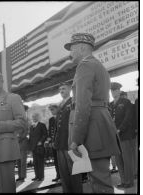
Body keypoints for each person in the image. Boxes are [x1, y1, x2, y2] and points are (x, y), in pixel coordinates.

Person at [64, 33, 121, 193]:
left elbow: (82, 105)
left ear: (82, 47)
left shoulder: (85, 65)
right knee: (98, 179)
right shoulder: (97, 65)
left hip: (92, 129)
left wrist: (76, 139)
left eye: (72, 49)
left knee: (99, 182)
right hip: (98, 125)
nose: (70, 53)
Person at [54, 82, 83, 193]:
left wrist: (76, 140)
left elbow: (76, 122)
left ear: (70, 89)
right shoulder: (60, 104)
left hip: (70, 141)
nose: (61, 91)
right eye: (60, 89)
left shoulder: (73, 102)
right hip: (60, 143)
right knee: (64, 172)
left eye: (64, 88)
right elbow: (57, 125)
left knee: (74, 171)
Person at [109, 82, 134, 188]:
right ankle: (123, 180)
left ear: (119, 90)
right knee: (118, 159)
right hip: (114, 136)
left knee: (127, 159)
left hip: (124, 135)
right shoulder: (110, 105)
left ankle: (129, 182)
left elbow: (128, 118)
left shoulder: (126, 102)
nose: (113, 92)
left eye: (115, 90)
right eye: (112, 90)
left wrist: (119, 129)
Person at [29, 113, 47, 181]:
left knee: (40, 162)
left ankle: (41, 177)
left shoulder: (42, 125)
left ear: (38, 117)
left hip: (40, 147)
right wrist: (30, 147)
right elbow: (30, 137)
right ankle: (36, 176)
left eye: (35, 116)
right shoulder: (31, 126)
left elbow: (45, 134)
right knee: (35, 162)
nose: (33, 118)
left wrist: (41, 141)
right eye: (32, 117)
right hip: (33, 147)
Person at [16, 105, 30, 182]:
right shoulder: (17, 119)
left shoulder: (26, 120)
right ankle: (19, 176)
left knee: (23, 161)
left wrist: (20, 138)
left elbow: (27, 131)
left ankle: (23, 176)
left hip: (23, 142)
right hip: (17, 143)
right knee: (18, 161)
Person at [47, 104, 60, 182]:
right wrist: (50, 141)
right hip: (53, 142)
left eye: (52, 109)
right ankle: (58, 175)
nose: (51, 111)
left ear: (57, 109)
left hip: (60, 142)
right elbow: (50, 131)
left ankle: (63, 176)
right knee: (56, 160)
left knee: (62, 160)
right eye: (50, 110)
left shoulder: (61, 117)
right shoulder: (51, 119)